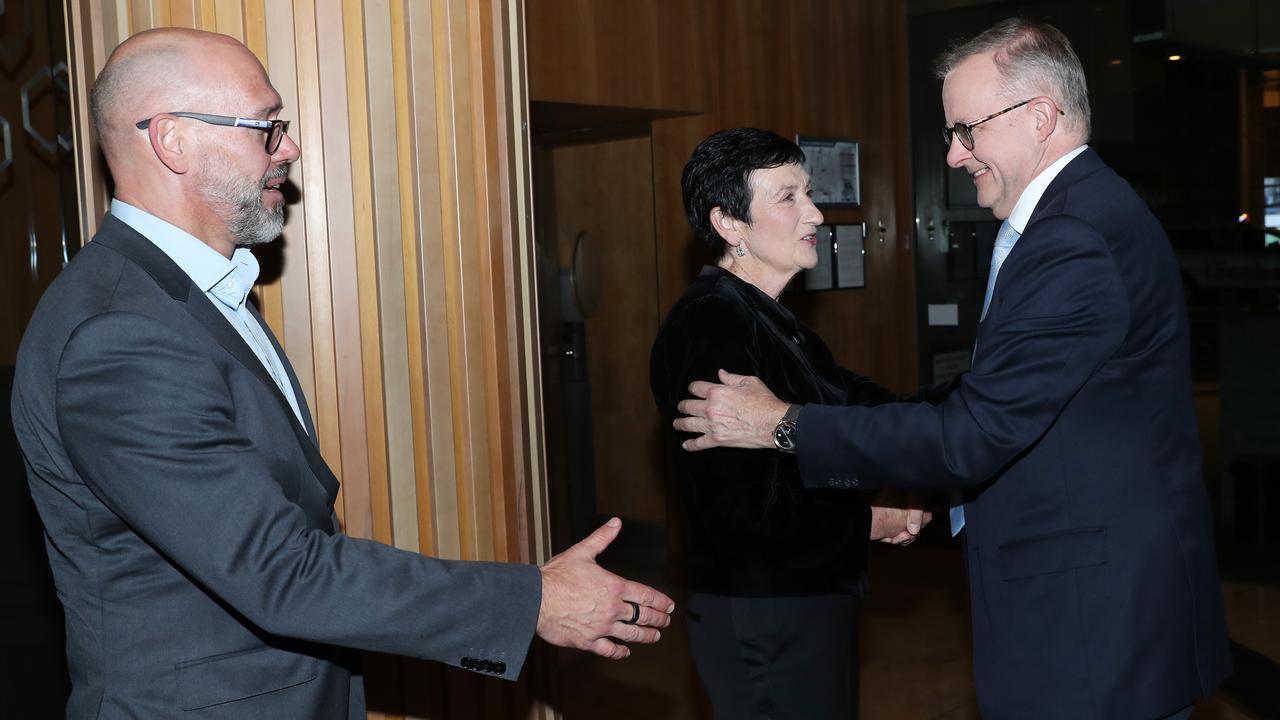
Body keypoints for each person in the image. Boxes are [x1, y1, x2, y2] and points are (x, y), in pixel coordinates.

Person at [9, 27, 672, 719]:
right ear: (172, 140)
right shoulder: (120, 335)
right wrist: (531, 600)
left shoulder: (196, 292)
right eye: (266, 127)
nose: (288, 149)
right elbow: (279, 570)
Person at [673, 19, 1231, 720]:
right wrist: (894, 497)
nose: (954, 154)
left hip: (1094, 620)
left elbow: (974, 427)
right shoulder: (1081, 217)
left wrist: (781, 425)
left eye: (966, 130)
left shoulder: (1074, 237)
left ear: (1039, 117)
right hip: (1080, 605)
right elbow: (985, 409)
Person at [650, 127, 933, 719]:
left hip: (800, 601)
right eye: (788, 197)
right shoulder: (714, 325)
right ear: (729, 223)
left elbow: (867, 406)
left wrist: (985, 399)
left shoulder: (773, 319)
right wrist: (872, 522)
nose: (815, 212)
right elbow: (745, 515)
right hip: (764, 615)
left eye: (809, 193)